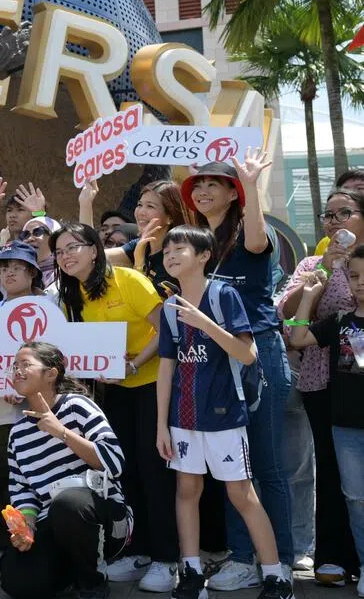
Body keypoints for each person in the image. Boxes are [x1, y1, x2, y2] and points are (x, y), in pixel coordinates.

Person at [156, 225, 293, 599]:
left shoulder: (224, 295)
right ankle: (192, 573)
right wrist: (161, 426)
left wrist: (206, 325)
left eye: (179, 248)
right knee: (186, 491)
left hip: (224, 415)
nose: (170, 254)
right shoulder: (169, 306)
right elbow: (166, 367)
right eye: (166, 249)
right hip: (183, 418)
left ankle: (275, 576)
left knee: (242, 495)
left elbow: (247, 354)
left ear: (204, 256)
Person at [183, 155, 295, 589]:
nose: (203, 191)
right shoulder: (197, 240)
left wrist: (251, 185)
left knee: (266, 465)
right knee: (233, 465)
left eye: (215, 184)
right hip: (212, 356)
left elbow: (253, 239)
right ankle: (242, 556)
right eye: (198, 185)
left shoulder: (252, 230)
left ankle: (279, 560)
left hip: (259, 352)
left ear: (234, 193)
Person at [50, 222, 177, 591]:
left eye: (73, 247)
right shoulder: (70, 295)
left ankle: (167, 560)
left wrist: (135, 364)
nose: (65, 257)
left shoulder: (128, 280)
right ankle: (137, 552)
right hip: (114, 391)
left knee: (155, 469)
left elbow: (166, 330)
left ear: (94, 249)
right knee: (126, 470)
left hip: (153, 383)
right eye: (59, 252)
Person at [276, 187, 364, 586]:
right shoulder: (313, 262)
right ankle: (333, 557)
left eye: (343, 213)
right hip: (320, 382)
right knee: (331, 471)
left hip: (359, 382)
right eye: (328, 215)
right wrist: (324, 272)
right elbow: (287, 314)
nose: (334, 222)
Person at [0, 342, 130, 599]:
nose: (17, 371)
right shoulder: (17, 433)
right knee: (15, 579)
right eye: (15, 365)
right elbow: (22, 489)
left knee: (68, 504)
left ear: (51, 374)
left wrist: (61, 432)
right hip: (54, 524)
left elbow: (115, 463)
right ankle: (73, 570)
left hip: (102, 516)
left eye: (26, 364)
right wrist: (27, 527)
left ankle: (94, 581)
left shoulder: (77, 406)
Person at [0, 243, 42, 573]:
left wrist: (31, 388)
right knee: (1, 476)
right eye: (3, 268)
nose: (9, 273)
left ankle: (40, 540)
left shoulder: (51, 306)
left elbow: (61, 357)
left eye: (17, 267)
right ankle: (2, 543)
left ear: (32, 271)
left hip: (43, 409)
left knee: (36, 475)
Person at [84, 179, 188, 296]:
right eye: (139, 205)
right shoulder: (139, 245)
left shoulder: (177, 257)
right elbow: (92, 254)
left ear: (170, 217)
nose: (141, 212)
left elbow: (148, 306)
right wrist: (85, 203)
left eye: (150, 206)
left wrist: (138, 263)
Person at [312, 168, 364, 257]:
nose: (351, 193)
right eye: (345, 189)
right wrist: (324, 267)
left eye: (360, 188)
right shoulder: (325, 244)